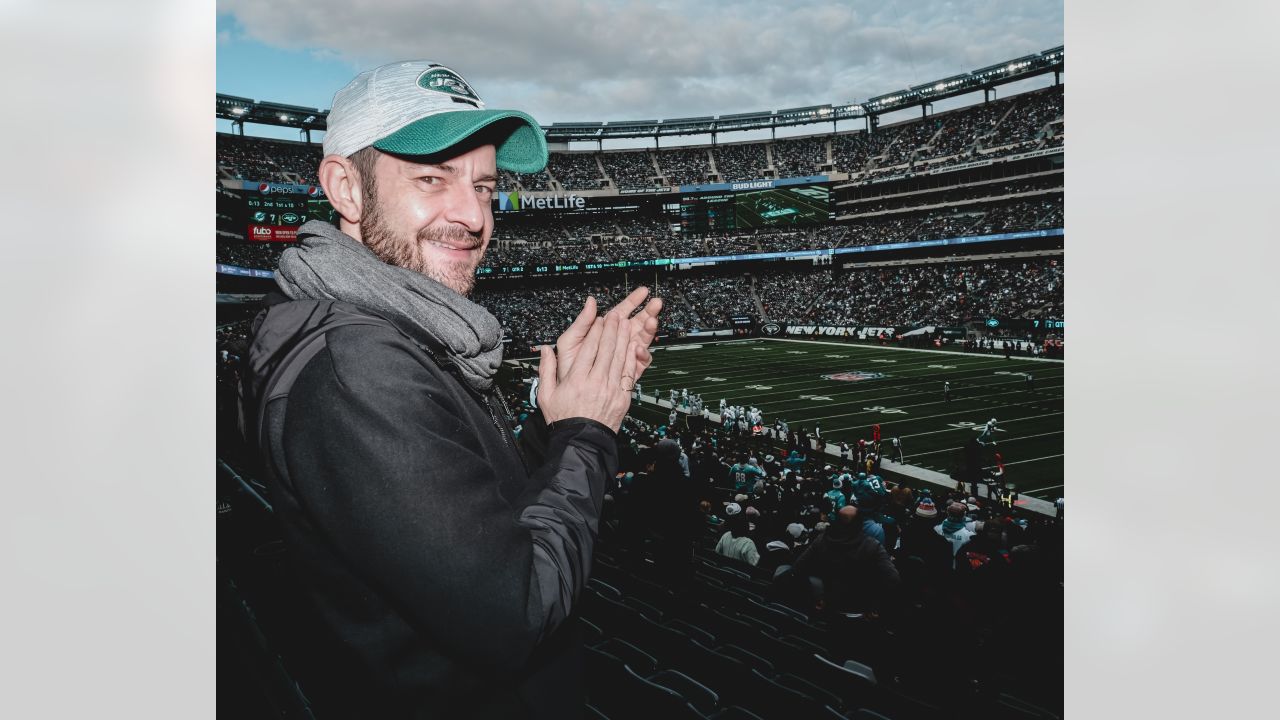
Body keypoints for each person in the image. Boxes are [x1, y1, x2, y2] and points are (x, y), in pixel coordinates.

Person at [239, 61, 663, 719]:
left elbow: (468, 510)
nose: (473, 216)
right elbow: (513, 610)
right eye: (432, 178)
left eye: (486, 187)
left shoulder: (393, 332)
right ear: (346, 189)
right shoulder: (361, 370)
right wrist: (589, 431)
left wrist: (550, 427)